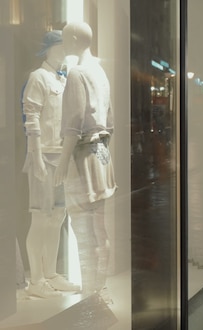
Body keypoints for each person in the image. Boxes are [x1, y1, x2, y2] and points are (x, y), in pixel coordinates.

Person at [54, 22, 116, 296]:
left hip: (84, 158)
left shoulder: (78, 73)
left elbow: (73, 123)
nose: (64, 43)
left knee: (84, 230)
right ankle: (96, 289)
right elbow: (110, 121)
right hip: (103, 158)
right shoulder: (100, 73)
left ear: (76, 39)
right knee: (99, 229)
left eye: (66, 38)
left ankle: (91, 293)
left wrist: (63, 161)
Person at [22, 30, 80, 298]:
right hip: (44, 156)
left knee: (58, 216)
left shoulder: (63, 78)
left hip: (61, 156)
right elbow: (31, 119)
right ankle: (36, 280)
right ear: (49, 49)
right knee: (41, 217)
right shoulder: (38, 78)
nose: (64, 51)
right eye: (60, 47)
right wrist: (36, 158)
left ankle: (51, 274)